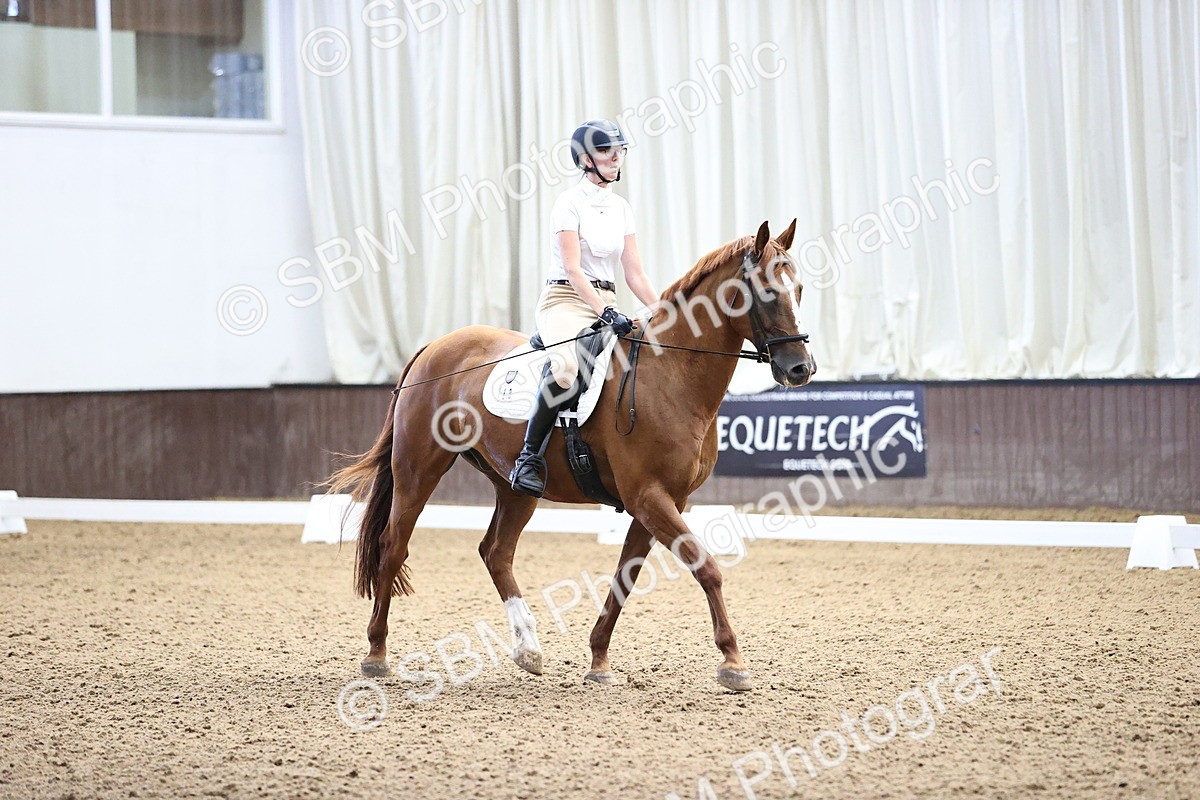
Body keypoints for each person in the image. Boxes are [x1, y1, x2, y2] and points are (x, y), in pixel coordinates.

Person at [509, 119, 661, 497]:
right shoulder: (568, 203)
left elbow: (635, 273)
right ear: (585, 159)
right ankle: (528, 457)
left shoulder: (621, 208)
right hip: (565, 300)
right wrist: (604, 312)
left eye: (619, 151)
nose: (615, 157)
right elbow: (574, 270)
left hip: (606, 301)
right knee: (565, 369)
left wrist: (663, 308)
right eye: (606, 151)